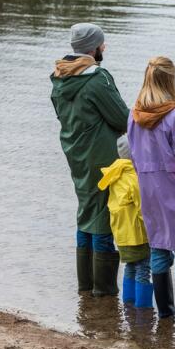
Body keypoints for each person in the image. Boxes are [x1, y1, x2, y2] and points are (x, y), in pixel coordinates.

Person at [51, 23, 129, 296]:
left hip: (75, 152)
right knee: (103, 216)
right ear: (94, 48)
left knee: (86, 211)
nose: (104, 47)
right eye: (102, 44)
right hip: (102, 156)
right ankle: (103, 290)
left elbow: (64, 116)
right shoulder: (97, 78)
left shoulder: (59, 77)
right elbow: (122, 119)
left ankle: (86, 286)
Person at [127, 56, 175, 324]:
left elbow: (134, 155)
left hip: (149, 189)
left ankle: (165, 314)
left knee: (158, 249)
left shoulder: (134, 115)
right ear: (170, 80)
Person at [97, 136, 153, 309]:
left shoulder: (115, 174)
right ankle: (143, 309)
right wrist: (155, 228)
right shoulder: (134, 178)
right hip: (137, 235)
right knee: (143, 269)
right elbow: (143, 209)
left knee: (130, 266)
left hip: (121, 233)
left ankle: (128, 304)